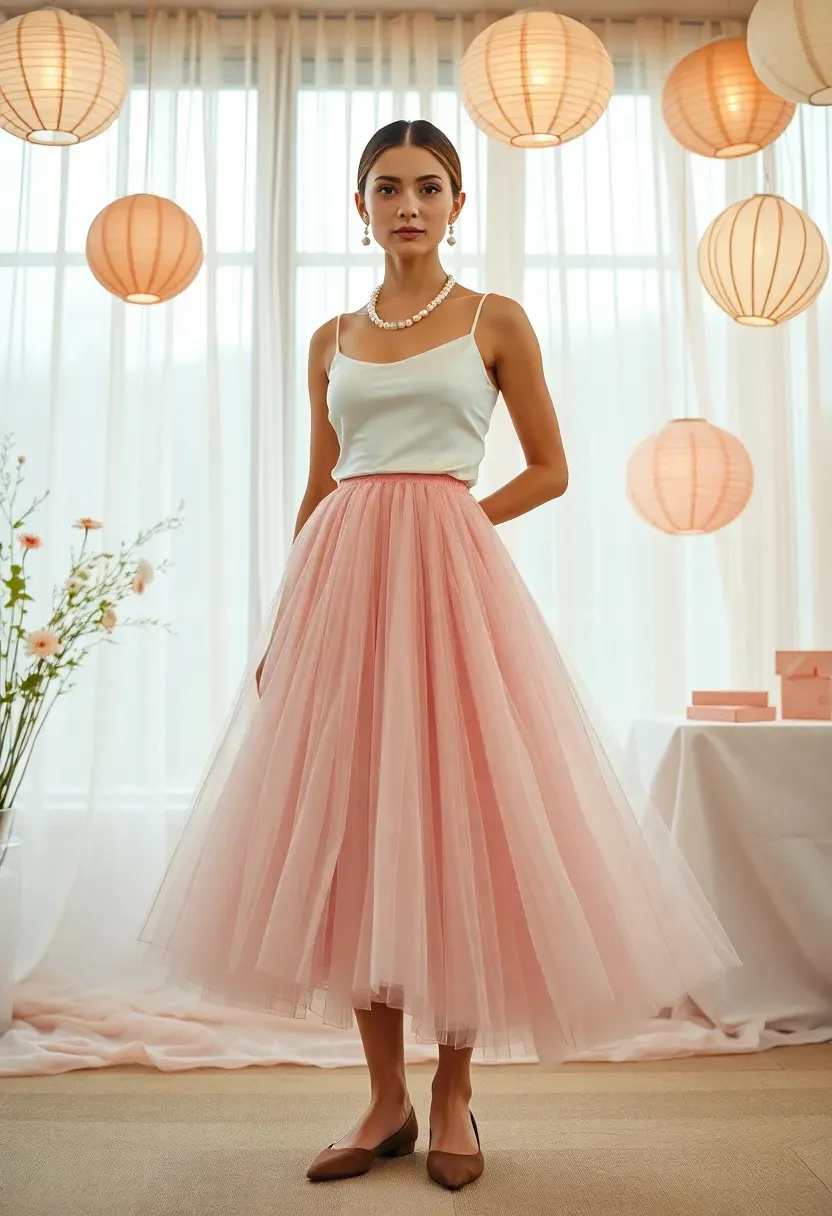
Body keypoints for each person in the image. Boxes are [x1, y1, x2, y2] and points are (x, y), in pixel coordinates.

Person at [138, 119, 742, 1192]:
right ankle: (383, 1100)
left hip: (452, 594)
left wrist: (457, 525)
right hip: (339, 595)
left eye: (427, 187)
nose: (406, 204)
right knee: (354, 834)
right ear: (358, 207)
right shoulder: (330, 337)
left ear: (458, 204)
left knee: (462, 824)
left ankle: (456, 1090)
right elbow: (319, 487)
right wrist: (286, 618)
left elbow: (551, 467)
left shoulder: (493, 318)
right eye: (385, 188)